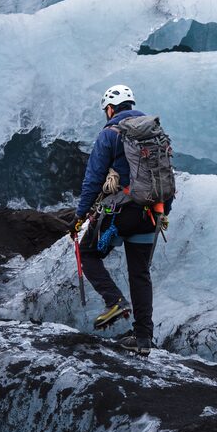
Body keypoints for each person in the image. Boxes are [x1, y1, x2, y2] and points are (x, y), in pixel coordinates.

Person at [71, 84, 165, 354]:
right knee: (140, 273)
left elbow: (93, 179)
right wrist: (163, 211)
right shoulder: (155, 132)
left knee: (88, 252)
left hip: (119, 215)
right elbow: (165, 176)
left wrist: (79, 216)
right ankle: (143, 339)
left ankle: (115, 301)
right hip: (149, 214)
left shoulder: (110, 133)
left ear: (110, 108)